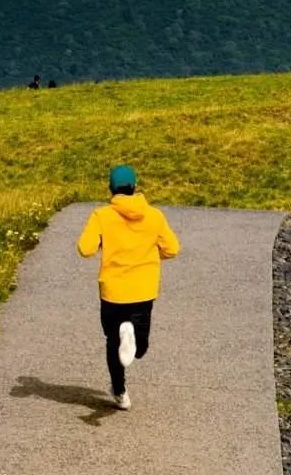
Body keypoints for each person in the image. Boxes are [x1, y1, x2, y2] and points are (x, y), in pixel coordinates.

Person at [76, 165, 180, 410]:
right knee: (139, 349)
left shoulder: (101, 215)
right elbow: (172, 249)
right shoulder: (154, 216)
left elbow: (85, 248)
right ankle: (130, 331)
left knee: (113, 343)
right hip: (143, 290)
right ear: (135, 186)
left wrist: (103, 242)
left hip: (113, 292)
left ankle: (120, 392)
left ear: (111, 188)